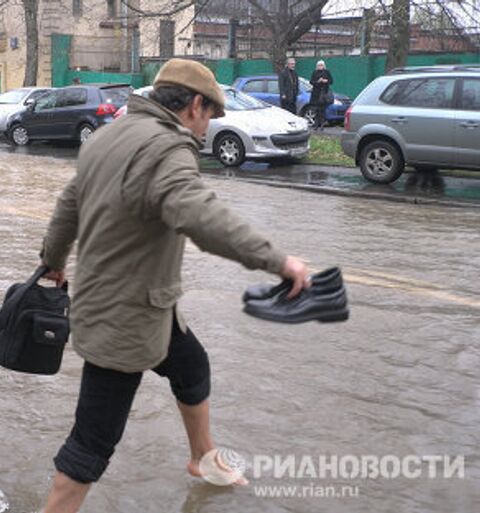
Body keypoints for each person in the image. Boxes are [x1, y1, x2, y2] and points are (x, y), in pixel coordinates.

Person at [39, 58, 310, 513]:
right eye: (210, 118)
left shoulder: (108, 136)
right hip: (121, 320)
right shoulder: (168, 148)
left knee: (191, 367)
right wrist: (278, 261)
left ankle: (202, 458)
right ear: (195, 106)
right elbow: (200, 216)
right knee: (91, 443)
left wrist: (52, 261)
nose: (208, 130)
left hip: (145, 304)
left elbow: (69, 205)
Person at [309, 60, 334, 130]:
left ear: (324, 66)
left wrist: (326, 81)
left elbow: (331, 81)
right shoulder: (315, 72)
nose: (320, 66)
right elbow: (311, 82)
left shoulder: (327, 72)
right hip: (316, 94)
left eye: (321, 65)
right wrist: (318, 81)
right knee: (317, 110)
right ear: (317, 66)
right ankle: (316, 125)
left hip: (324, 94)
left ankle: (322, 125)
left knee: (323, 110)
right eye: (319, 65)